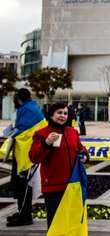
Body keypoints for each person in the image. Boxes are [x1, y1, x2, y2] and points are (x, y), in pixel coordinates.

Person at [29, 102, 89, 229]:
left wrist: (85, 156)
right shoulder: (41, 133)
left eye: (65, 113)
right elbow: (34, 158)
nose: (62, 116)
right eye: (59, 113)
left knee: (73, 224)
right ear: (51, 115)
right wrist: (46, 143)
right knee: (56, 225)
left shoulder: (72, 132)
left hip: (73, 185)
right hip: (53, 187)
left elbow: (81, 149)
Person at [4, 88, 46, 227]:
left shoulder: (28, 110)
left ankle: (25, 215)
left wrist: (12, 132)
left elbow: (23, 132)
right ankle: (22, 211)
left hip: (27, 155)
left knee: (25, 185)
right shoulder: (30, 108)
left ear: (18, 98)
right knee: (21, 185)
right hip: (24, 153)